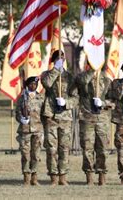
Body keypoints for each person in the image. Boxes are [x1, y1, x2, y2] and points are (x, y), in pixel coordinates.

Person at [41, 50, 78, 186]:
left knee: (64, 147)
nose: (60, 60)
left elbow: (75, 98)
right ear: (53, 60)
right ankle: (53, 177)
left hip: (65, 116)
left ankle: (63, 176)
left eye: (62, 58)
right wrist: (56, 69)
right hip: (50, 115)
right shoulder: (46, 74)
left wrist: (67, 103)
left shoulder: (70, 77)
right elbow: (47, 84)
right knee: (51, 148)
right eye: (58, 58)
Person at [75, 63, 113, 186]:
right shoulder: (82, 78)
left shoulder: (107, 81)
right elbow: (78, 86)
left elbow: (114, 101)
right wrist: (91, 72)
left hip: (102, 120)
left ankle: (102, 176)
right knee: (87, 148)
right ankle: (89, 176)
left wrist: (103, 102)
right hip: (87, 118)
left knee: (103, 149)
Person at [15, 76, 44, 186]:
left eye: (35, 84)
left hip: (37, 130)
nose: (33, 86)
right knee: (26, 155)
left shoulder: (40, 98)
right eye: (31, 84)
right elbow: (17, 113)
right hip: (25, 130)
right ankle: (26, 178)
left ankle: (34, 178)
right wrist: (21, 119)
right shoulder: (22, 98)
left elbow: (43, 114)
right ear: (27, 85)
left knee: (36, 155)